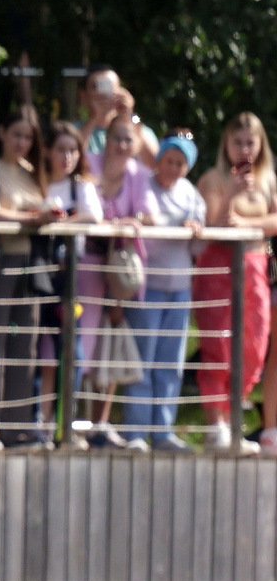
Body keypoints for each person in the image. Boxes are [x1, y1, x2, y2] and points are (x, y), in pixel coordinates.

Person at [0, 106, 60, 449]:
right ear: (1, 133)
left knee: (24, 347)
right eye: (16, 134)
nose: (22, 142)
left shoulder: (32, 172)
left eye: (28, 137)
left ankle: (16, 429)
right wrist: (30, 219)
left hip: (30, 266)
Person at [195, 112, 276, 450]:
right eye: (238, 142)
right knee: (219, 347)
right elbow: (213, 225)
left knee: (255, 347)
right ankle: (216, 427)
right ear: (226, 144)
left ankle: (231, 420)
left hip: (255, 265)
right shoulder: (212, 178)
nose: (244, 149)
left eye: (250, 142)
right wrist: (231, 193)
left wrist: (246, 223)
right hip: (219, 266)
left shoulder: (268, 179)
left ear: (260, 145)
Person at [90, 118, 159, 449]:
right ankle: (64, 424)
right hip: (85, 263)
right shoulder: (89, 164)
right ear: (106, 139)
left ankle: (100, 424)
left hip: (119, 271)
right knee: (83, 342)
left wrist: (134, 220)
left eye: (128, 140)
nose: (121, 145)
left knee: (111, 340)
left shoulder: (140, 174)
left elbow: (150, 215)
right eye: (116, 138)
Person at [137, 132, 206, 448]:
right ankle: (136, 431)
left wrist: (194, 230)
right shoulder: (144, 186)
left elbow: (199, 245)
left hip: (179, 287)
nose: (174, 168)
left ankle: (163, 431)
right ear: (159, 159)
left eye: (180, 163)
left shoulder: (191, 194)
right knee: (143, 361)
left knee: (170, 363)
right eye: (169, 160)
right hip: (147, 284)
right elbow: (142, 225)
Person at [39, 120, 104, 442]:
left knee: (71, 351)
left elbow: (95, 217)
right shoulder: (37, 182)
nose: (66, 157)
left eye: (73, 150)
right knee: (38, 351)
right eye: (60, 149)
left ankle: (65, 426)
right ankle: (38, 424)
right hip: (37, 274)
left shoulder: (82, 187)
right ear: (47, 152)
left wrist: (61, 222)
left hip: (69, 279)